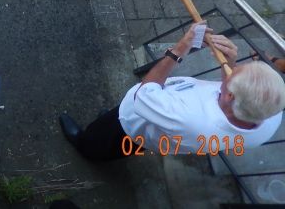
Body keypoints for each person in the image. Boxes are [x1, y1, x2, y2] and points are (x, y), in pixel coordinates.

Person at [59, 22, 285, 160]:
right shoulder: (270, 112)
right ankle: (106, 135)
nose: (228, 68)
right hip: (159, 129)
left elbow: (144, 94)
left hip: (135, 124)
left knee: (106, 140)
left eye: (232, 71)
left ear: (230, 96)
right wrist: (232, 64)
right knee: (117, 134)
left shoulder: (191, 120)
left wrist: (179, 49)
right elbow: (238, 95)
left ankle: (85, 146)